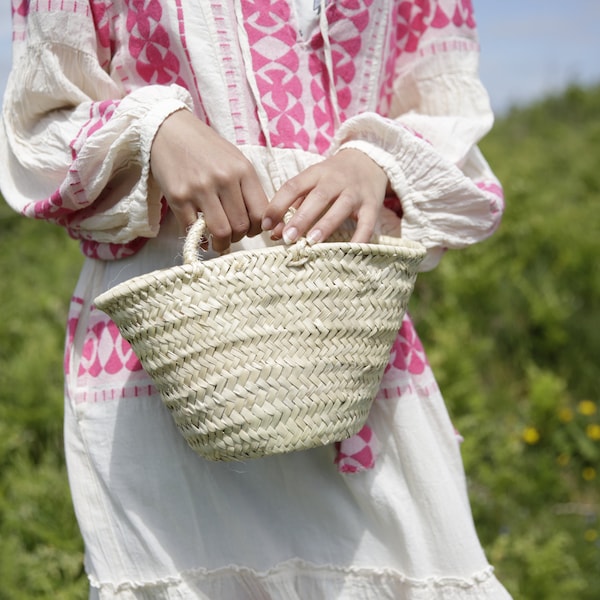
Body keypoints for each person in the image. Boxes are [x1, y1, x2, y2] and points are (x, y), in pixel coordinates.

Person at [1, 0, 511, 598]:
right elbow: (38, 123)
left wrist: (374, 161)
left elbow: (448, 109)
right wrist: (154, 129)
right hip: (167, 355)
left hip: (349, 346)